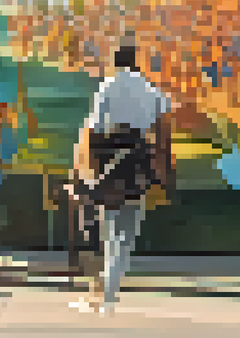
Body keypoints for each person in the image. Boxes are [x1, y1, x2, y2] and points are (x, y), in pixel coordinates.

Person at [68, 45, 174, 316]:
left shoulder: (107, 86)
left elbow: (93, 129)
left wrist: (84, 171)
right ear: (136, 61)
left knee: (108, 227)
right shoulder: (149, 88)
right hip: (138, 160)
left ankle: (104, 294)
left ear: (115, 62)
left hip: (108, 160)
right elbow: (163, 130)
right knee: (126, 230)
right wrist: (163, 172)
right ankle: (109, 292)